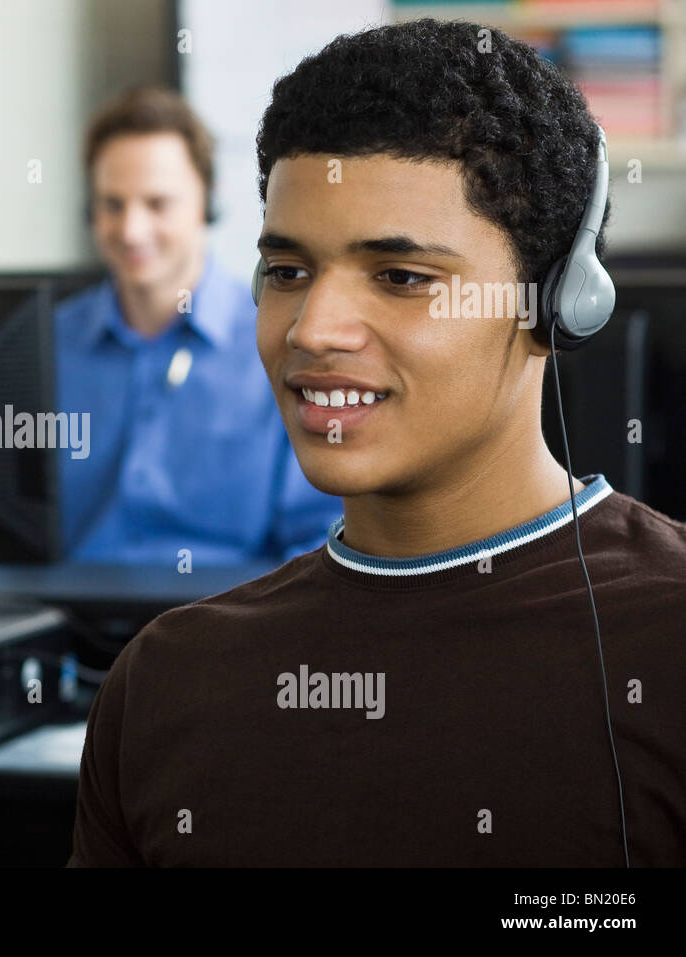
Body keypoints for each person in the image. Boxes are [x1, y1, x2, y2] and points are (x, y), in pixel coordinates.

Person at [69, 20, 686, 866]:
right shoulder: (164, 682)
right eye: (287, 271)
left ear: (556, 305)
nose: (313, 329)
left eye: (401, 278)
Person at [57, 86, 340, 565]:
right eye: (113, 204)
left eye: (157, 203)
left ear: (205, 202)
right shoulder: (45, 347)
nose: (131, 230)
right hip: (58, 626)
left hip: (231, 623)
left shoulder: (284, 342)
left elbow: (319, 535)